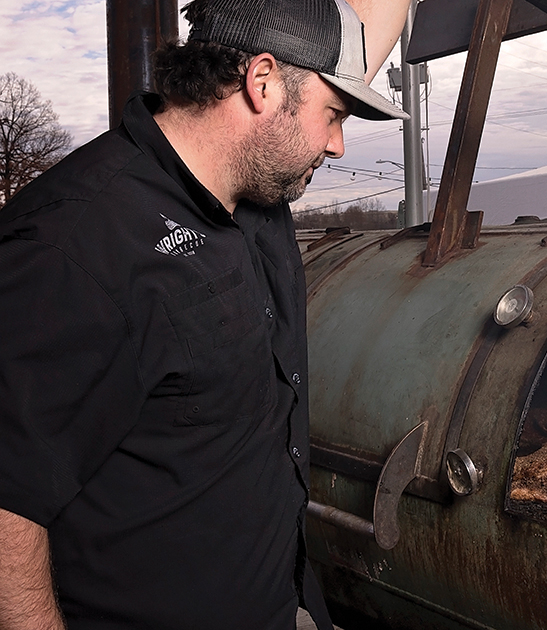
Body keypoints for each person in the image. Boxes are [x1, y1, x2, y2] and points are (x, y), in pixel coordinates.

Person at [0, 0, 408, 627]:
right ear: (262, 81)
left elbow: (356, 33)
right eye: (333, 116)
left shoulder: (254, 189)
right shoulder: (73, 246)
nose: (337, 145)